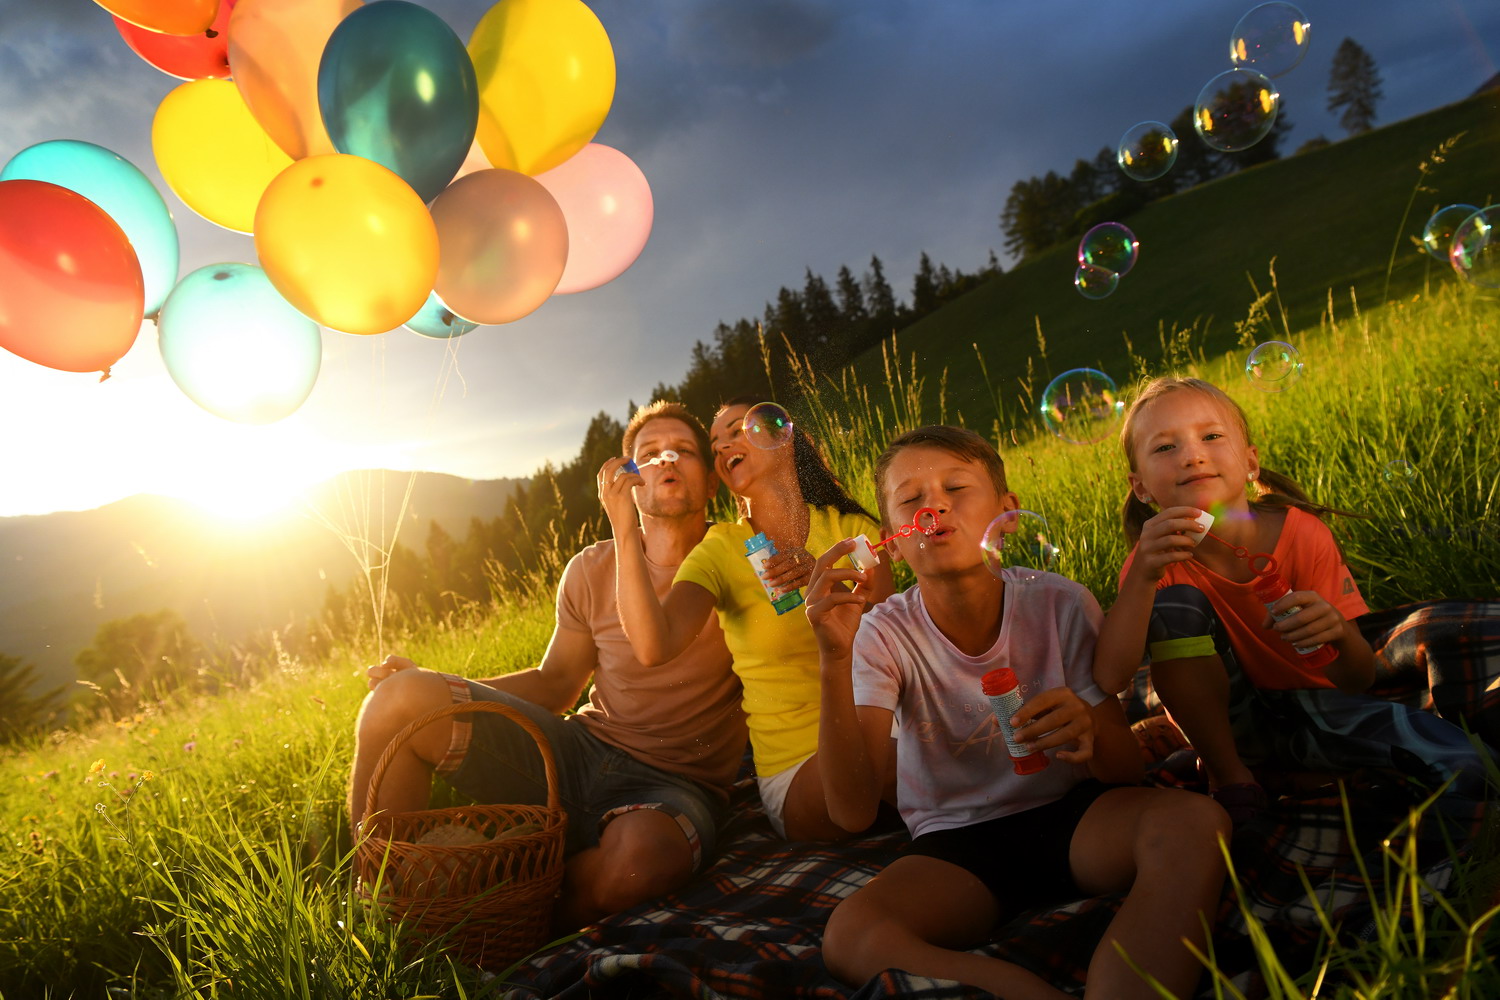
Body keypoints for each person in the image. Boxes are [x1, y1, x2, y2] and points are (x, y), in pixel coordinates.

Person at [808, 425, 1230, 1000]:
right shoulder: (881, 634)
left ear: (1007, 512)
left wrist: (1088, 727)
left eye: (956, 488)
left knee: (1195, 822)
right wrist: (833, 660)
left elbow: (1125, 769)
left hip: (1076, 815)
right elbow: (852, 812)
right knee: (850, 936)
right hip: (957, 846)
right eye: (911, 498)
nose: (934, 506)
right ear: (892, 541)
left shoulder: (1059, 602)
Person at [348, 401, 747, 931]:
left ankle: (495, 894)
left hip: (675, 788)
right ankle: (380, 909)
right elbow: (556, 683)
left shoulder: (740, 560)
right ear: (627, 481)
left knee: (637, 866)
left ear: (712, 481)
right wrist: (435, 683)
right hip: (578, 754)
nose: (666, 460)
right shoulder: (590, 568)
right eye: (649, 453)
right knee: (398, 700)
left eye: (684, 451)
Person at [1092, 376, 1491, 825]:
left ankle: (1289, 774)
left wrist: (1338, 633)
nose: (1192, 455)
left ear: (1250, 462)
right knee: (1176, 605)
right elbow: (1111, 677)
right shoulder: (1153, 562)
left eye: (1211, 436)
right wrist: (1142, 579)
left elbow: (1359, 678)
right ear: (1141, 487)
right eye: (1165, 447)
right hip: (1224, 730)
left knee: (1466, 763)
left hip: (1323, 710)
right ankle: (1229, 777)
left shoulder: (1302, 534)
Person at [599, 396, 895, 841]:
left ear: (784, 438)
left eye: (737, 430)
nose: (722, 446)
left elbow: (892, 636)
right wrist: (624, 528)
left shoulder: (851, 531)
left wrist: (826, 583)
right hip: (798, 767)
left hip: (882, 728)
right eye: (715, 444)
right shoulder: (720, 551)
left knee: (920, 750)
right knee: (913, 762)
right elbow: (654, 645)